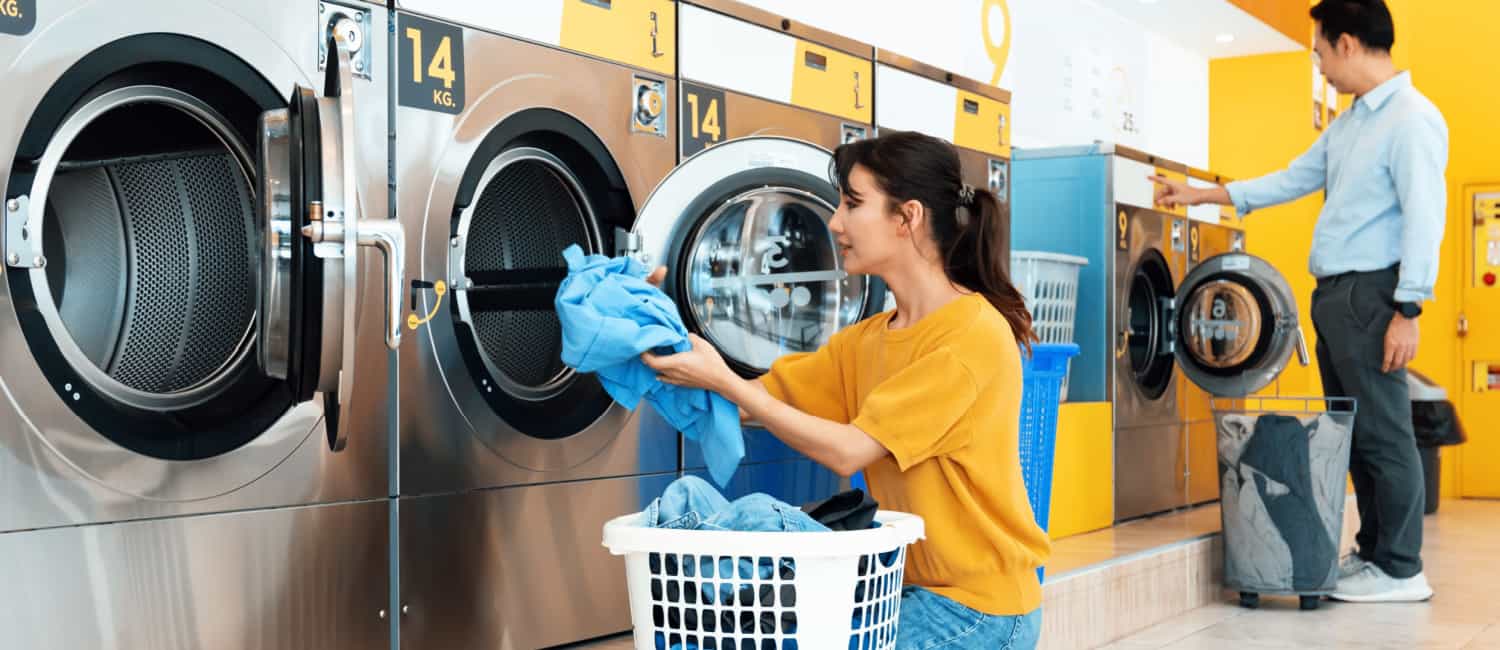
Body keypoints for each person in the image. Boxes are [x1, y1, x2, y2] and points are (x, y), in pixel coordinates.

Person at [641, 130, 1049, 649]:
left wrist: (726, 380)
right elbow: (742, 402)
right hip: (898, 588)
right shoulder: (868, 340)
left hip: (978, 611)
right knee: (695, 508)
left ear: (908, 218)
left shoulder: (972, 336)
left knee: (767, 562)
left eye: (853, 203)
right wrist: (647, 332)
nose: (835, 222)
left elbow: (847, 450)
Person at [1150, 0, 1445, 604]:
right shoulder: (1353, 122)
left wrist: (1408, 309)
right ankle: (1373, 554)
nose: (1318, 62)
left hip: (1373, 292)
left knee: (1386, 434)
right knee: (1354, 431)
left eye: (1318, 49)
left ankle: (1402, 566)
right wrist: (1204, 192)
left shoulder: (1412, 119)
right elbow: (1292, 178)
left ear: (1347, 42)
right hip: (1338, 295)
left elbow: (1425, 218)